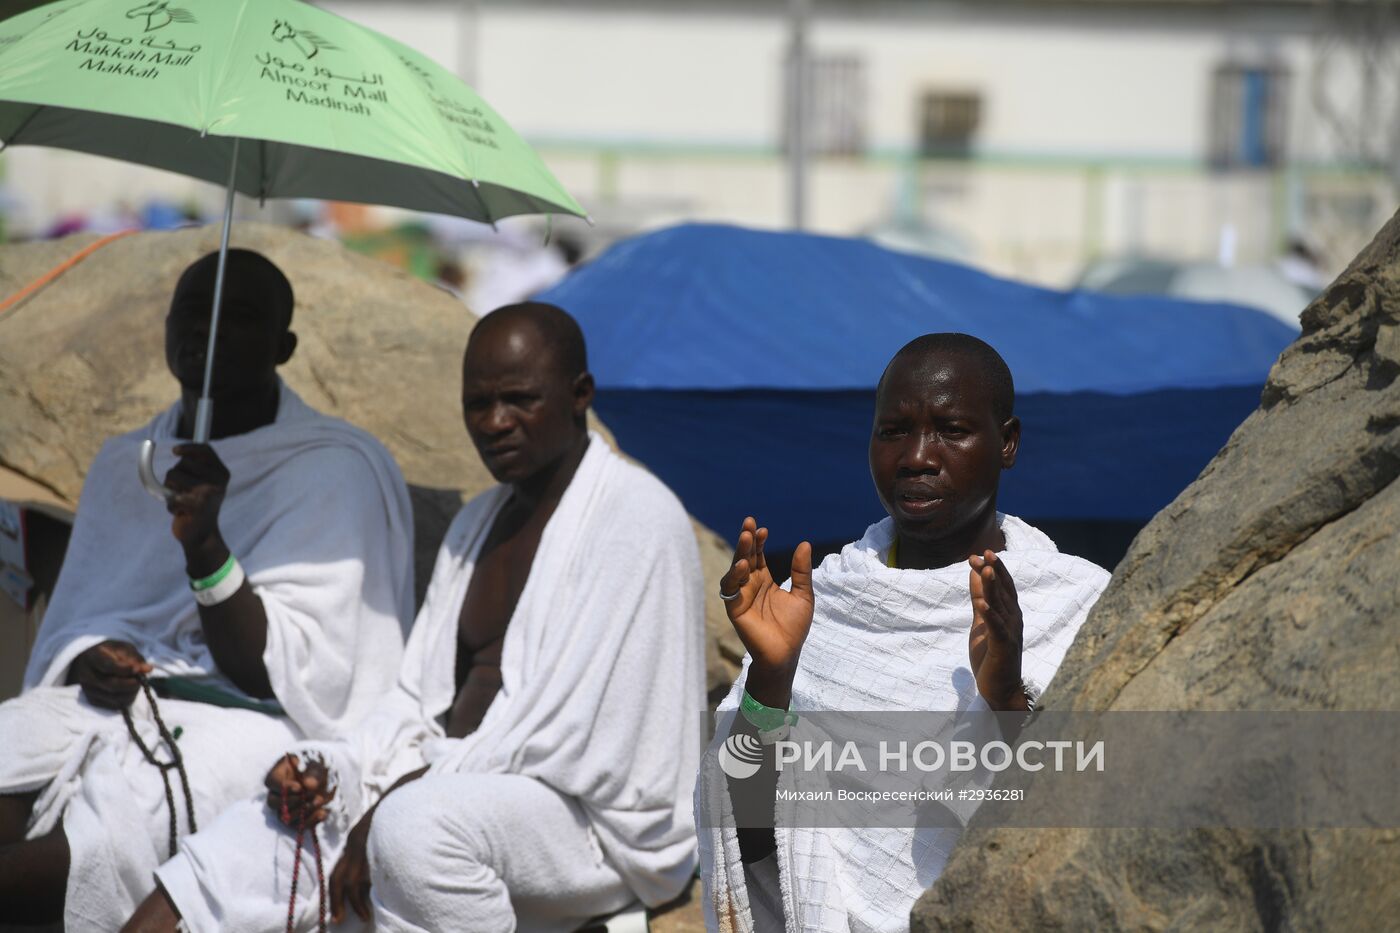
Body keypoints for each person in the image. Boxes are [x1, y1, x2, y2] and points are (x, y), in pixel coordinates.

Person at [124, 302, 705, 933]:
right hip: (450, 782)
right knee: (258, 828)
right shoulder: (475, 524)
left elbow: (571, 739)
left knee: (415, 834)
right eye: (477, 404)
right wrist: (337, 775)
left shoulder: (637, 518)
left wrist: (391, 804)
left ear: (579, 395)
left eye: (519, 400)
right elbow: (414, 702)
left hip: (589, 827)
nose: (495, 423)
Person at [0, 250, 414, 930]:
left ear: (283, 347)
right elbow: (75, 625)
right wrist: (91, 657)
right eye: (193, 312)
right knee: (11, 739)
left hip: (246, 721)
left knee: (120, 821)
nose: (208, 329)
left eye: (239, 317)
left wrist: (206, 546)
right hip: (110, 701)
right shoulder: (124, 463)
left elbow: (292, 678)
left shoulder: (335, 468)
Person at [696, 333, 1112, 932]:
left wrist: (1005, 704)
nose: (917, 455)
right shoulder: (826, 604)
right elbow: (750, 845)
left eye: (951, 429)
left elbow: (1083, 836)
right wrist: (772, 677)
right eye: (894, 431)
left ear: (1008, 442)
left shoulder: (1073, 605)